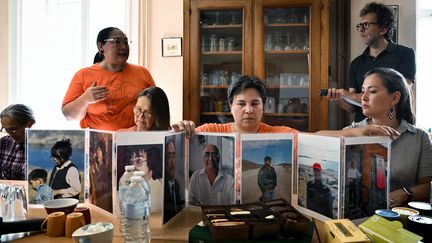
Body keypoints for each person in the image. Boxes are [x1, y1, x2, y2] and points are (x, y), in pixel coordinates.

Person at [173, 75, 398, 139]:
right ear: (231, 106)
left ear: (264, 107)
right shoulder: (214, 131)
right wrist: (185, 128)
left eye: (255, 104)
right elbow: (182, 138)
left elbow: (317, 136)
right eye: (241, 104)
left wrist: (362, 130)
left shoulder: (278, 133)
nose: (248, 110)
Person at [346, 67, 432, 207]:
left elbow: (428, 187)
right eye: (363, 91)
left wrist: (404, 193)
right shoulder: (353, 131)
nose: (363, 97)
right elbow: (316, 137)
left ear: (394, 98)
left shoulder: (419, 137)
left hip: (402, 217)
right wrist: (356, 132)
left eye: (372, 91)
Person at [327, 2, 416, 122]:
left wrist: (350, 95)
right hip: (364, 130)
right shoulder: (356, 63)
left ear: (383, 28)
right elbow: (352, 107)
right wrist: (340, 100)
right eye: (360, 25)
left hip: (397, 129)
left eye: (366, 25)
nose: (361, 30)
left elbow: (402, 93)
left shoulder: (406, 54)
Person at [62, 27, 155, 131]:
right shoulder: (83, 75)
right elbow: (68, 115)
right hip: (98, 143)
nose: (124, 47)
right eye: (116, 42)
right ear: (101, 47)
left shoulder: (142, 73)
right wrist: (85, 99)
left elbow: (157, 108)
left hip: (134, 140)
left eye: (126, 42)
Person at [0, 104, 35, 180]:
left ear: (30, 123)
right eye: (6, 130)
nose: (10, 134)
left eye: (13, 129)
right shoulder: (3, 142)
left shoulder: (44, 147)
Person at [164, 139, 183, 222]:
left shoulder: (177, 184)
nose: (172, 161)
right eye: (168, 156)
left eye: (174, 156)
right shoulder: (162, 187)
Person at [89, 140, 112, 212]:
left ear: (103, 152)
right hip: (95, 197)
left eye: (100, 150)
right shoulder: (92, 165)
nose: (98, 152)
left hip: (105, 197)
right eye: (97, 150)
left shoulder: (106, 166)